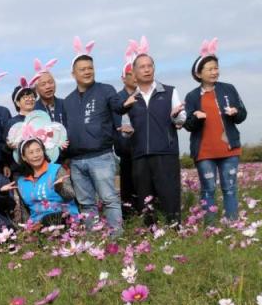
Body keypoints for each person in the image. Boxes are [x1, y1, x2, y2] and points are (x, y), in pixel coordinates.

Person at [61, 39, 126, 234]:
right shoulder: (68, 101)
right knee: (86, 203)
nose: (87, 71)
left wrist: (126, 105)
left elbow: (118, 107)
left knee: (109, 199)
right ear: (74, 74)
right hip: (77, 160)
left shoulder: (106, 90)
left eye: (90, 68)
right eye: (82, 69)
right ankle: (95, 239)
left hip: (101, 156)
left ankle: (116, 238)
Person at [182, 39, 246, 222]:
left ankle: (232, 224)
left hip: (229, 149)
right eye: (209, 69)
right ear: (199, 73)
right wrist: (195, 117)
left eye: (216, 68)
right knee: (208, 188)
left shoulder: (229, 89)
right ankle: (210, 227)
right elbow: (187, 124)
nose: (214, 72)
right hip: (204, 152)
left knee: (230, 187)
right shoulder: (192, 96)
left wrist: (235, 113)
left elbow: (243, 114)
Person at [121, 51, 187, 225]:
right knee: (145, 199)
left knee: (170, 195)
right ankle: (151, 234)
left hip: (166, 152)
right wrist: (126, 132)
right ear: (134, 73)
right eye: (142, 67)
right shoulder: (131, 99)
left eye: (149, 66)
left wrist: (175, 116)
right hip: (140, 155)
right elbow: (125, 126)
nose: (146, 70)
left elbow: (181, 118)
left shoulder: (169, 92)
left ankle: (175, 229)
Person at [15, 138, 79, 226]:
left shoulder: (57, 169)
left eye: (38, 150)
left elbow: (70, 196)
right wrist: (27, 231)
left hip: (64, 219)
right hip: (38, 225)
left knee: (51, 218)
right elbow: (25, 210)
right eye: (31, 152)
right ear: (24, 157)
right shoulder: (21, 182)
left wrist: (59, 188)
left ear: (43, 152)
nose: (36, 155)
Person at [115, 58, 139, 219]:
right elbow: (115, 127)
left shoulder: (145, 95)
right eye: (130, 74)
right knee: (128, 189)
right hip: (126, 151)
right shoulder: (117, 99)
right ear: (123, 77)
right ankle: (129, 220)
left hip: (145, 149)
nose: (134, 77)